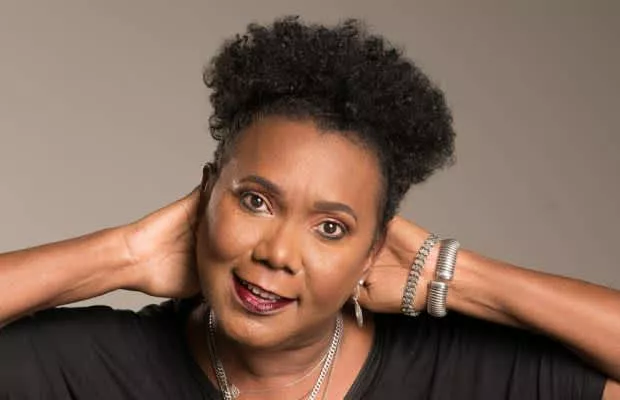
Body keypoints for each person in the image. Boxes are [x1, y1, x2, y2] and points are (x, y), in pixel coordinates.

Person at [0, 16, 619, 400]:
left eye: (330, 228)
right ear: (206, 194)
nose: (277, 253)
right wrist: (122, 255)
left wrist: (455, 276)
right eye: (255, 201)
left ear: (374, 251)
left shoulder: (457, 373)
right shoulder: (93, 367)